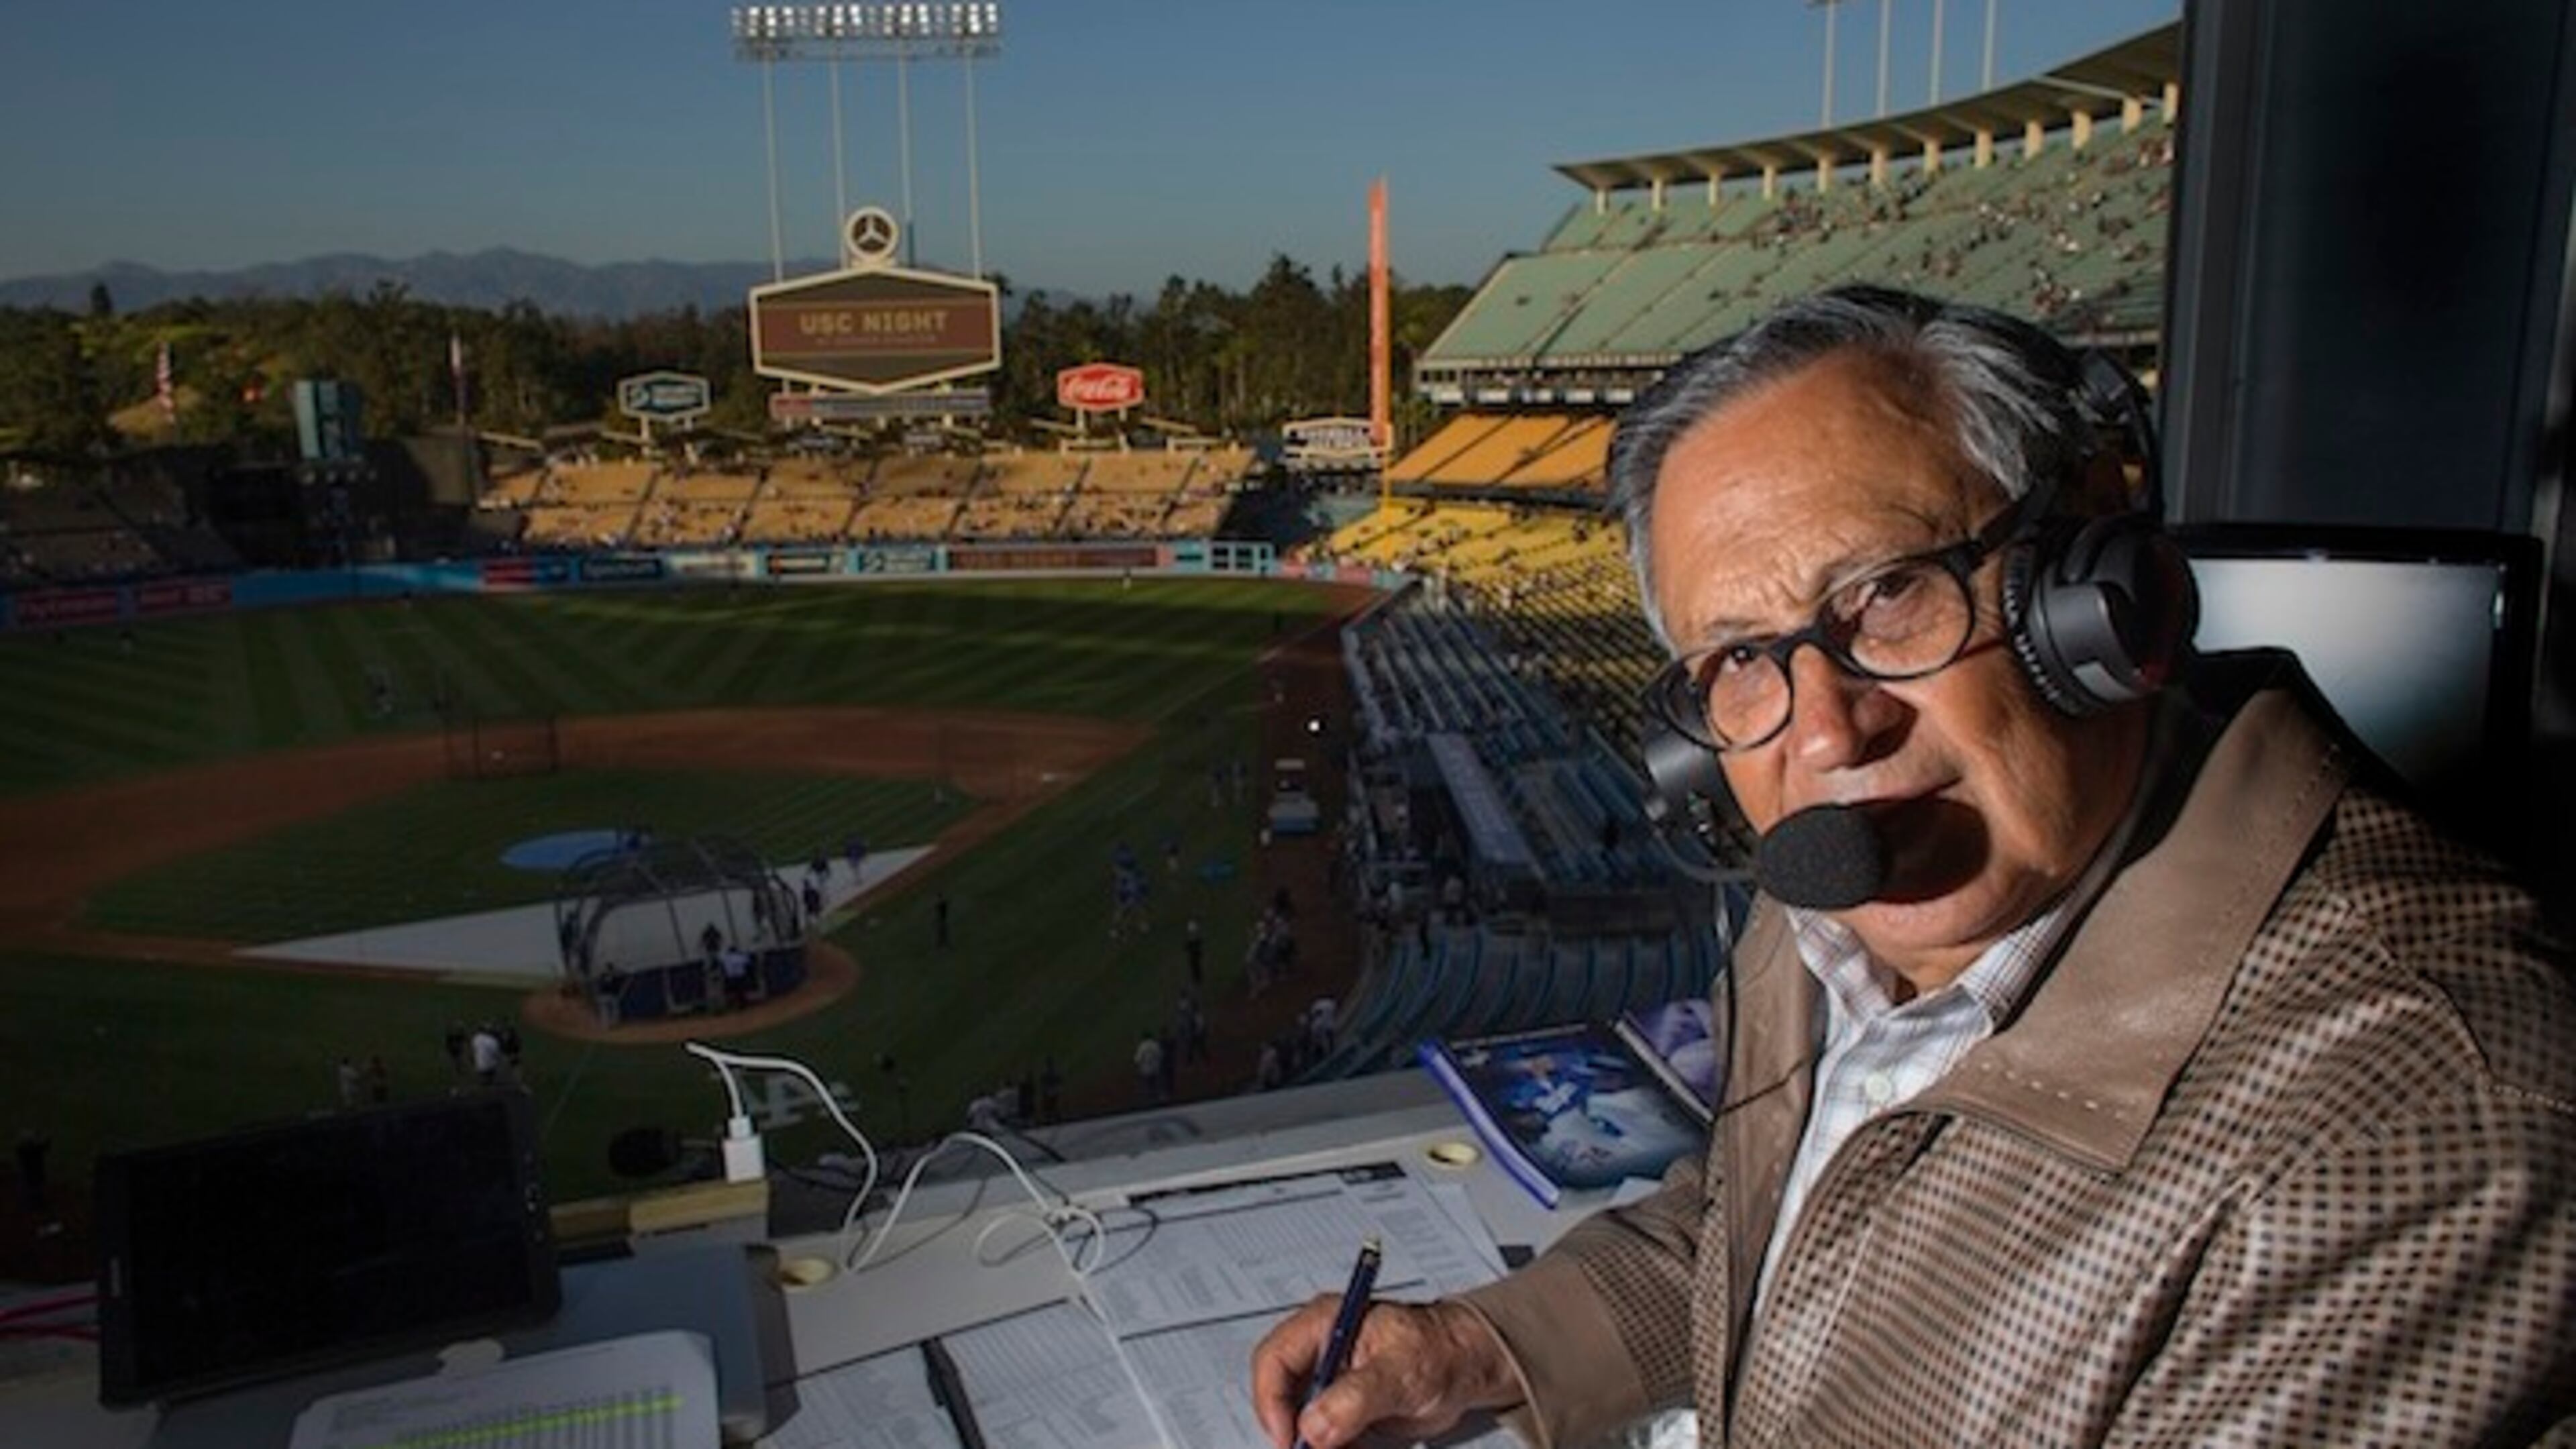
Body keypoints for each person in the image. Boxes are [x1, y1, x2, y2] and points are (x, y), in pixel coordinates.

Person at [1251, 286, 2576, 1447]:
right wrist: (1486, 1351)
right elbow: (1767, 1234)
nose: (1826, 729)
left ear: (2100, 596)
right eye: (1741, 660)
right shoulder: (1842, 898)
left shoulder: (2417, 1130)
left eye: (1887, 596)